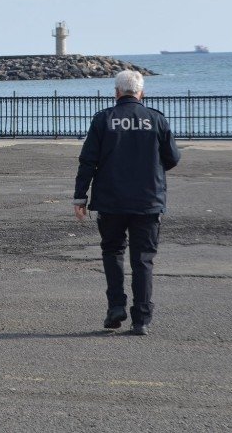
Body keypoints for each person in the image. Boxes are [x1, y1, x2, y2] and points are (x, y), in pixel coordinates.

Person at [73, 70, 181, 335]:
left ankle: (115, 308)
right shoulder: (156, 119)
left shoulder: (103, 120)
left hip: (111, 200)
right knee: (143, 260)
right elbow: (173, 158)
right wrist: (152, 168)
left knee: (113, 252)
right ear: (141, 93)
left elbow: (88, 161)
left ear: (117, 92)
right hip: (148, 199)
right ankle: (141, 319)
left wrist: (80, 197)